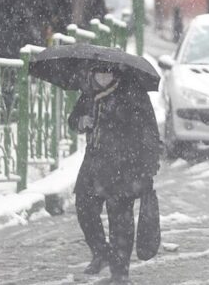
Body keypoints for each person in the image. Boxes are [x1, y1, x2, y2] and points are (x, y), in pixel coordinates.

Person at [69, 66, 161, 283]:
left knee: (120, 218)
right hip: (93, 163)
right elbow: (73, 119)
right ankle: (101, 252)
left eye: (107, 74)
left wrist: (148, 164)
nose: (102, 78)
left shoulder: (133, 92)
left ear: (116, 74)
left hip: (124, 165)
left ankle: (120, 272)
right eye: (98, 73)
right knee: (84, 208)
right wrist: (81, 121)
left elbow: (149, 129)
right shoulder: (89, 93)